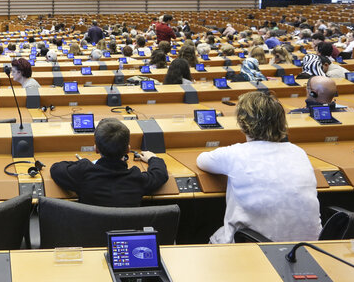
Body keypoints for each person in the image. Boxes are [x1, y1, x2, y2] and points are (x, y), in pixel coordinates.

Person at [196, 91, 321, 243]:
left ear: (242, 123)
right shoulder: (298, 152)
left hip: (258, 250)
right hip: (309, 247)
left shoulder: (235, 154)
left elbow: (201, 160)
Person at [50, 118, 168, 207]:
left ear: (96, 149)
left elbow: (56, 169)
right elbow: (160, 174)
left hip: (89, 236)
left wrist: (83, 164)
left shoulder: (84, 172)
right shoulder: (136, 178)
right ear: (128, 149)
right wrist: (153, 158)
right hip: (125, 236)